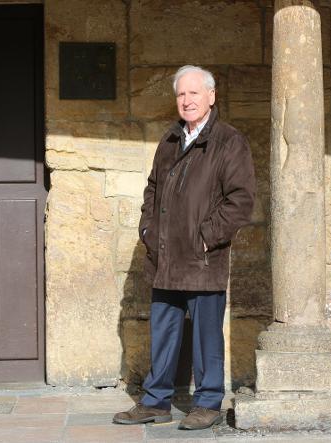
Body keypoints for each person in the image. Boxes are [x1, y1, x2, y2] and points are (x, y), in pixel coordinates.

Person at [113, 65, 256, 430]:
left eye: (194, 93)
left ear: (211, 96)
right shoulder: (170, 139)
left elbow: (240, 201)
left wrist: (205, 237)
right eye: (181, 94)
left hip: (202, 258)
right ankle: (156, 400)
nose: (187, 100)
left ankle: (207, 402)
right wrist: (149, 229)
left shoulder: (228, 141)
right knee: (162, 332)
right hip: (164, 256)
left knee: (206, 334)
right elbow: (152, 190)